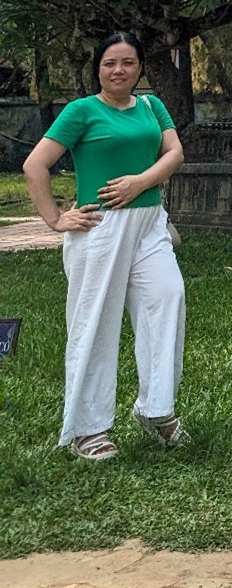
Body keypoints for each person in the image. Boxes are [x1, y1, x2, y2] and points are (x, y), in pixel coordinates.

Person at [23, 31, 187, 460]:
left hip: (150, 223)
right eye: (110, 62)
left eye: (128, 62)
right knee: (96, 321)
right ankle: (88, 429)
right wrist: (55, 219)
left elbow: (174, 154)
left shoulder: (152, 106)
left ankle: (156, 409)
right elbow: (35, 165)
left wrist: (140, 182)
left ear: (140, 69)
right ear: (98, 68)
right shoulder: (82, 111)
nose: (119, 70)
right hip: (100, 228)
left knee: (167, 299)